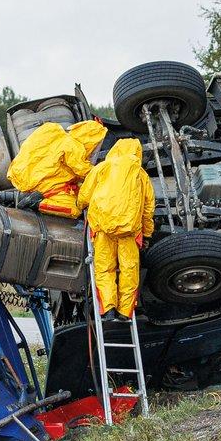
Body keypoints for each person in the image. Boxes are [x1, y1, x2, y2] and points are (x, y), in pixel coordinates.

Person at [77, 137, 155, 320]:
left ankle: (109, 308)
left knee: (104, 268)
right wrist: (147, 234)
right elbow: (148, 209)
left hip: (103, 228)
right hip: (129, 231)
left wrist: (79, 205)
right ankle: (125, 312)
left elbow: (85, 195)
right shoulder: (141, 174)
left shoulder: (102, 168)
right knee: (129, 270)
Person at [6, 119, 108, 216]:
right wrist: (105, 171)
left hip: (21, 175)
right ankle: (37, 203)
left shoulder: (54, 131)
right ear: (90, 140)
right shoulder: (73, 147)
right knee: (74, 209)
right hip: (41, 183)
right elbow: (85, 171)